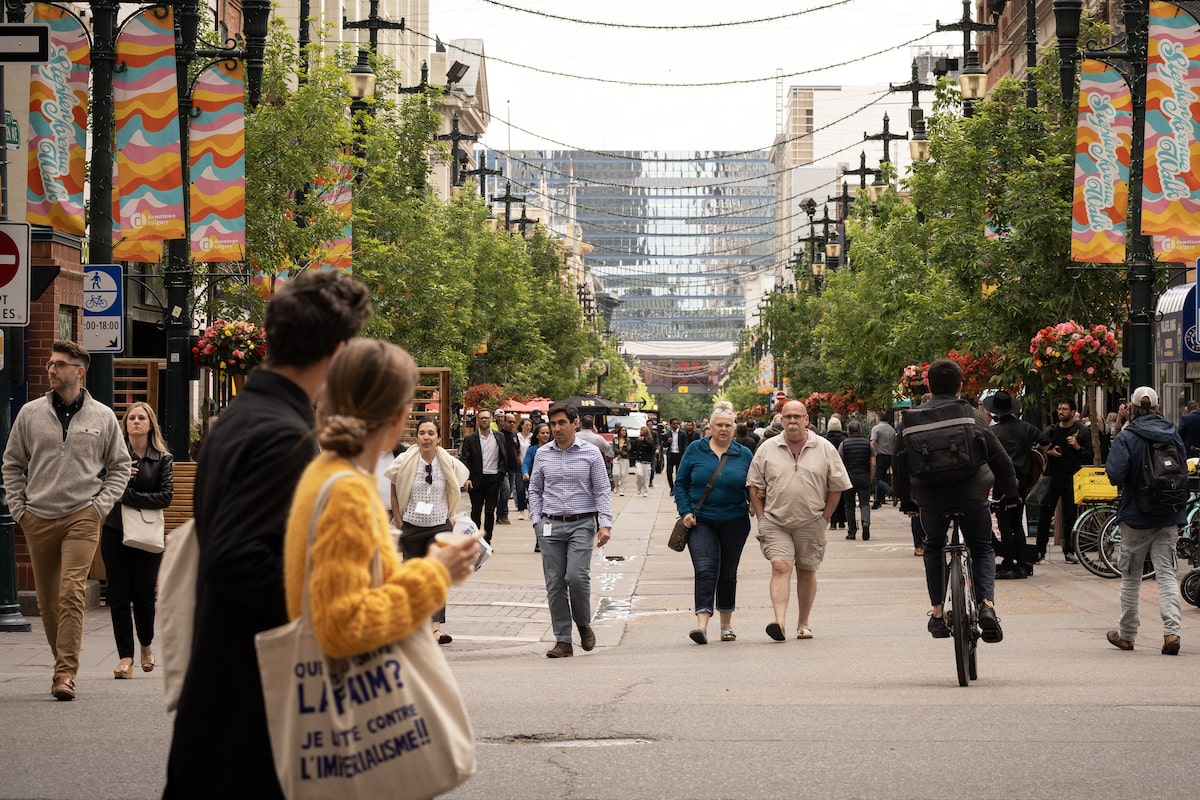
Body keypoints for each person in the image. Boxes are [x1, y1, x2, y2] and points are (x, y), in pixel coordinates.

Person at [164, 271, 372, 798]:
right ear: (339, 350)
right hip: (250, 704)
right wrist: (331, 599)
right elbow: (234, 559)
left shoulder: (242, 418)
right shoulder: (282, 436)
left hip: (227, 695)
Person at [284, 340, 479, 698]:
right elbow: (349, 617)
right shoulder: (343, 491)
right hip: (331, 696)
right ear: (395, 418)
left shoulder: (329, 474)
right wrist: (437, 572)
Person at [2, 340, 130, 701]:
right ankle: (63, 662)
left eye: (59, 364)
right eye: (50, 364)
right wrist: (19, 510)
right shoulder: (29, 413)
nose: (51, 369)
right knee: (47, 602)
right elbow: (11, 464)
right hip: (37, 517)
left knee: (71, 591)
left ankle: (64, 674)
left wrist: (99, 506)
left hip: (82, 516)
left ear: (79, 371)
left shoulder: (103, 416)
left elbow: (120, 466)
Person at [895, 359, 1017, 645]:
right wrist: (1011, 494)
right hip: (971, 492)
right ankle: (986, 605)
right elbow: (1000, 459)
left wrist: (907, 501)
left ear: (928, 385)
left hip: (930, 495)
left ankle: (938, 613)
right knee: (982, 548)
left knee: (933, 548)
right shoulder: (971, 415)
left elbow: (899, 467)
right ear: (960, 386)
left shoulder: (910, 420)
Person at [747, 400, 851, 641]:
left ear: (806, 420)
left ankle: (803, 623)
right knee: (780, 566)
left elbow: (837, 486)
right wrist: (761, 516)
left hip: (811, 520)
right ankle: (779, 622)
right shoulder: (767, 448)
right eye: (788, 417)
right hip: (775, 520)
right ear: (780, 420)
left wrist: (824, 518)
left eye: (797, 416)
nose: (792, 421)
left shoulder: (824, 447)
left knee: (806, 569)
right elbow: (754, 484)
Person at [528, 402, 613, 658]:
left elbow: (601, 489)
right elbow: (535, 489)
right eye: (553, 424)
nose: (556, 429)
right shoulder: (543, 454)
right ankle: (563, 641)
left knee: (576, 577)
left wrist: (605, 523)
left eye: (561, 423)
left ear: (574, 423)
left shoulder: (591, 453)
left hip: (582, 523)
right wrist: (536, 521)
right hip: (550, 523)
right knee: (554, 583)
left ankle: (583, 623)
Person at [1104, 387, 1184, 655]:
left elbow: (1114, 474)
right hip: (1168, 513)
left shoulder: (1128, 436)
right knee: (1166, 575)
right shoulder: (1173, 433)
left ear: (1134, 407)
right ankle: (1172, 632)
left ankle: (1127, 635)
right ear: (1158, 406)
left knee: (1130, 577)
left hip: (1136, 516)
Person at [101, 402, 174, 679]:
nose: (135, 422)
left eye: (141, 417)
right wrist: (118, 479)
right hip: (114, 531)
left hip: (146, 536)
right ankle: (125, 658)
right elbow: (99, 485)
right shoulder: (113, 456)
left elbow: (165, 497)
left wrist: (126, 495)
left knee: (144, 594)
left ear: (150, 424)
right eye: (131, 417)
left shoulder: (162, 459)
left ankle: (145, 644)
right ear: (125, 423)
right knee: (118, 596)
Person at [386, 418, 472, 644]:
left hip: (439, 526)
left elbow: (457, 486)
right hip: (412, 526)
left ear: (438, 438)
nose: (426, 437)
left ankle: (435, 628)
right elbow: (394, 490)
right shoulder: (404, 461)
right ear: (417, 437)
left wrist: (452, 517)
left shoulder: (448, 462)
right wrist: (398, 518)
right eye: (422, 433)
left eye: (431, 433)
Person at [674, 401, 754, 644]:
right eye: (719, 425)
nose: (723, 429)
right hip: (702, 521)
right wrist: (685, 511)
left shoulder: (744, 453)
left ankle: (726, 625)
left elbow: (754, 484)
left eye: (728, 425)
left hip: (735, 520)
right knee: (706, 569)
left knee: (728, 573)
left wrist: (757, 503)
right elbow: (681, 484)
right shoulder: (696, 450)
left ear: (734, 428)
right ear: (710, 426)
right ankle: (701, 624)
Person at [983, 390, 1043, 579]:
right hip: (1022, 480)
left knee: (1004, 524)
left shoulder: (993, 432)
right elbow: (1044, 441)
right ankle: (1022, 563)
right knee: (1017, 523)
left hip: (1002, 480)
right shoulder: (1026, 428)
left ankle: (1009, 563)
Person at [1036, 398, 1092, 563]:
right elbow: (1038, 447)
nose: (1061, 412)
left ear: (1073, 413)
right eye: (1060, 408)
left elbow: (1090, 456)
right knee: (1044, 515)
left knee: (1070, 517)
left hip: (1072, 479)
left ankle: (1069, 550)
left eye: (1065, 409)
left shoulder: (1081, 432)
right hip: (1052, 477)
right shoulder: (1051, 430)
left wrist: (1077, 447)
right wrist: (1049, 452)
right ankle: (1040, 551)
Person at [459, 409, 511, 544]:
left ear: (491, 418)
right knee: (475, 511)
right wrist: (467, 477)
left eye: (486, 418)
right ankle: (476, 541)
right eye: (481, 418)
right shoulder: (470, 439)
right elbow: (465, 459)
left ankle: (487, 541)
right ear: (477, 419)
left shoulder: (499, 436)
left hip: (494, 478)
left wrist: (501, 473)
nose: (484, 420)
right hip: (476, 479)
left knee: (490, 512)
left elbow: (504, 456)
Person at [838, 420, 875, 541]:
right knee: (865, 503)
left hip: (849, 477)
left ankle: (852, 531)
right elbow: (873, 463)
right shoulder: (868, 444)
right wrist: (871, 477)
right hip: (864, 476)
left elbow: (839, 462)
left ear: (848, 431)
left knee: (849, 505)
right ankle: (865, 522)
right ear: (860, 430)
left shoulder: (844, 444)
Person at [522, 423, 552, 552]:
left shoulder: (554, 448)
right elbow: (526, 463)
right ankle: (539, 539)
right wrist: (525, 473)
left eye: (547, 433)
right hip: (536, 485)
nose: (545, 435)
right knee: (537, 514)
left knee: (548, 516)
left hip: (551, 487)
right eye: (542, 433)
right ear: (537, 435)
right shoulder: (532, 450)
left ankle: (546, 539)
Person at [823, 417, 848, 530]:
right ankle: (842, 521)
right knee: (841, 496)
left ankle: (833, 522)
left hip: (827, 470)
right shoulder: (844, 439)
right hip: (841, 468)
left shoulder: (824, 440)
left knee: (829, 496)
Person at [576, 415, 614, 488]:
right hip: (595, 468)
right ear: (593, 426)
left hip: (577, 466)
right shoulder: (598, 438)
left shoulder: (575, 437)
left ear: (581, 424)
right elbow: (607, 448)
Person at [870, 413, 896, 508]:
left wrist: (873, 453)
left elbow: (873, 442)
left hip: (880, 455)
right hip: (889, 455)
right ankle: (878, 500)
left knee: (877, 478)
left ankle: (890, 491)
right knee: (882, 477)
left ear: (879, 418)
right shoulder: (892, 429)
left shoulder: (876, 428)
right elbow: (894, 443)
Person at [631, 425, 658, 497]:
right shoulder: (638, 440)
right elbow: (633, 449)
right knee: (639, 474)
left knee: (646, 477)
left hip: (647, 461)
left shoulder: (649, 440)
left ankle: (645, 491)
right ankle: (639, 488)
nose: (641, 432)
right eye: (640, 431)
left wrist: (644, 440)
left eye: (642, 431)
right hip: (639, 461)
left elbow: (652, 448)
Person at [664, 418, 690, 489]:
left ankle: (677, 487)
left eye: (677, 423)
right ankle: (671, 487)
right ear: (671, 425)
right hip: (671, 455)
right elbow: (664, 445)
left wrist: (684, 454)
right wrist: (667, 442)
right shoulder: (668, 434)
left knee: (679, 472)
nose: (676, 425)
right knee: (669, 472)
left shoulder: (682, 434)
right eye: (674, 424)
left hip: (679, 455)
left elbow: (685, 444)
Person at [611, 424, 631, 497]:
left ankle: (622, 490)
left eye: (625, 431)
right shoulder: (615, 439)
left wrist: (622, 454)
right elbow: (614, 448)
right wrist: (620, 453)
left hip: (624, 459)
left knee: (623, 474)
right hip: (616, 458)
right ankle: (616, 485)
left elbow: (628, 449)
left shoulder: (627, 440)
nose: (624, 432)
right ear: (619, 431)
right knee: (616, 473)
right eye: (622, 430)